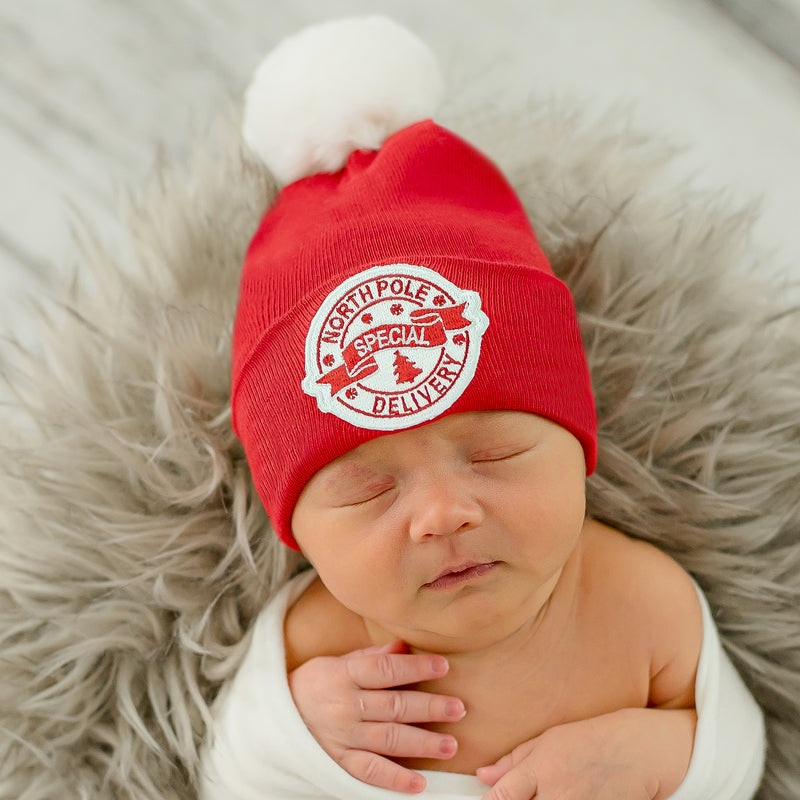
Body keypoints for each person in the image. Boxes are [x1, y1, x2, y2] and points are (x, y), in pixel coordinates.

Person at [199, 16, 765, 800]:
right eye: (367, 490)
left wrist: (668, 752)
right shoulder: (313, 649)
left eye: (495, 455)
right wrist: (290, 723)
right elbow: (224, 772)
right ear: (299, 533)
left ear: (576, 443)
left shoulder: (643, 606)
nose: (443, 514)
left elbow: (744, 760)